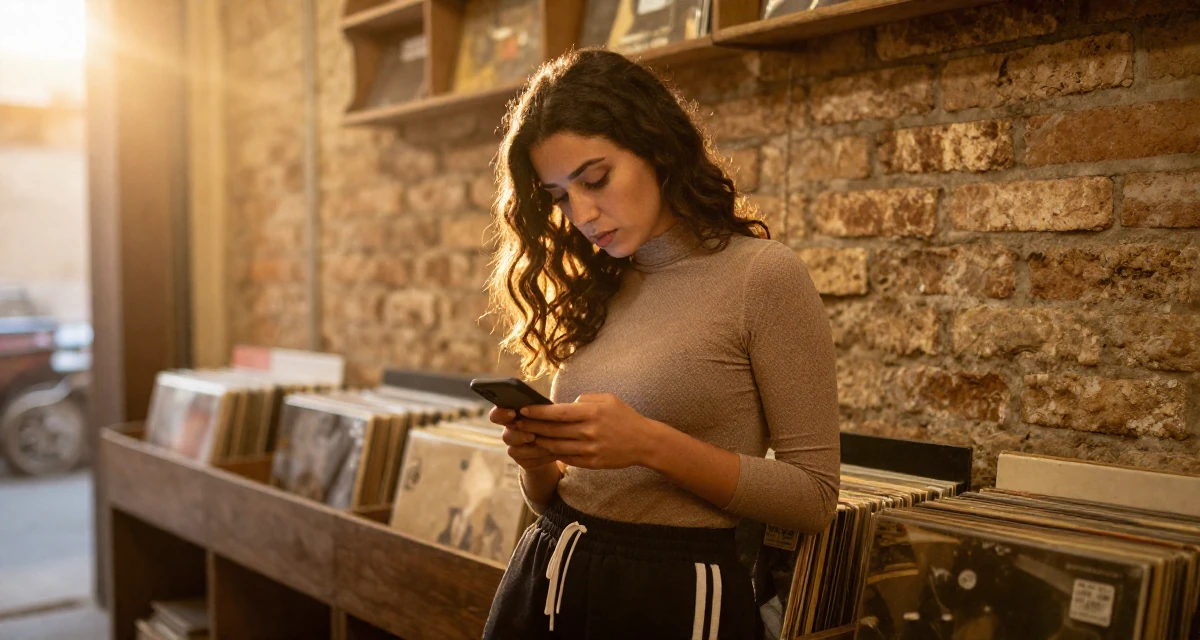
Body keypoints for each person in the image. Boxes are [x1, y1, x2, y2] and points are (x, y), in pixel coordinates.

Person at [481, 48, 840, 639]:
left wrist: (648, 443)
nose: (584, 214)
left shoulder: (763, 278)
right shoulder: (598, 283)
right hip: (551, 575)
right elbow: (565, 497)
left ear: (657, 146)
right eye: (561, 196)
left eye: (596, 179)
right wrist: (539, 460)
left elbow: (814, 499)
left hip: (676, 597)